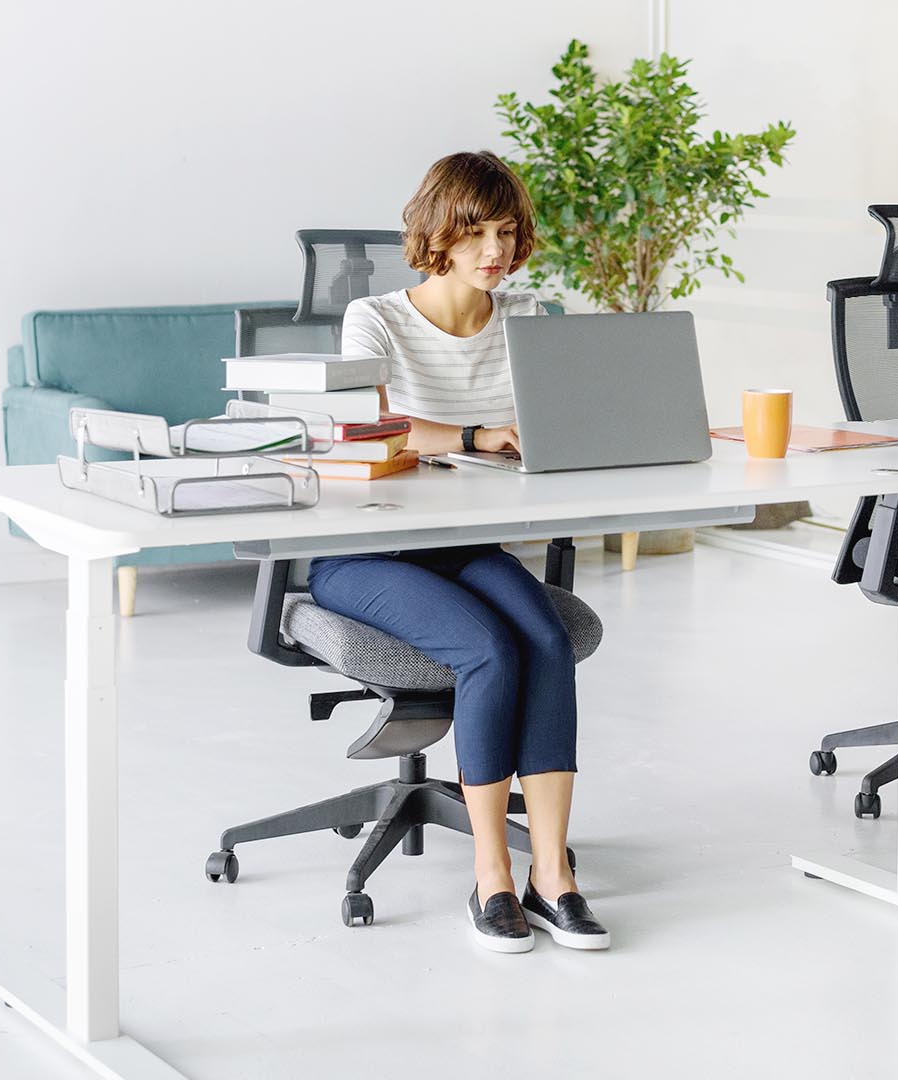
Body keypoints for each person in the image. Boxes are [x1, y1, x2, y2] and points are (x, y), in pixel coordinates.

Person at [309, 150, 608, 953]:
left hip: (463, 542)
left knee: (544, 640)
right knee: (487, 652)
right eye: (475, 232)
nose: (494, 250)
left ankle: (553, 874)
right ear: (435, 232)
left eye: (506, 232)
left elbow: (562, 420)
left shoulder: (528, 320)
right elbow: (371, 429)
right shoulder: (375, 319)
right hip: (367, 551)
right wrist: (475, 435)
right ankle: (490, 874)